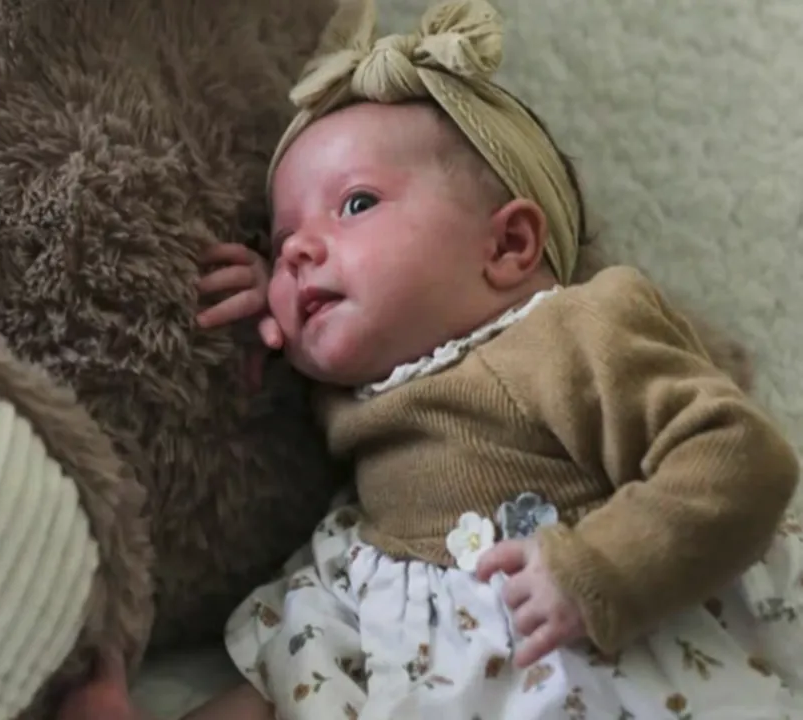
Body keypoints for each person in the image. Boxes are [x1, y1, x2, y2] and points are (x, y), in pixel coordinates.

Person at [58, 0, 803, 718]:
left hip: (596, 643)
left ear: (508, 245)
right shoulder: (358, 408)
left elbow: (739, 456)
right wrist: (274, 306)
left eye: (355, 204)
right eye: (282, 242)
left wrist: (602, 569)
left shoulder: (573, 331)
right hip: (400, 619)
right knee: (293, 659)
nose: (299, 249)